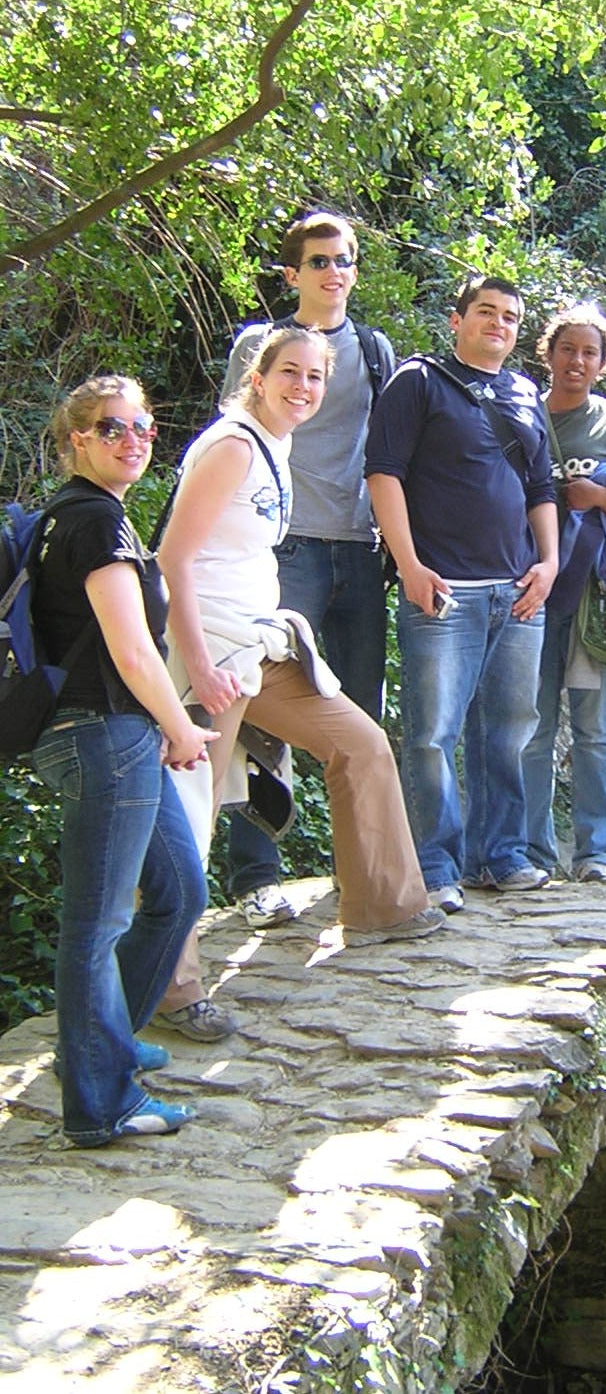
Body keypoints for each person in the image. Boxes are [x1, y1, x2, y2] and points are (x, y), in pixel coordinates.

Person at [153, 326, 440, 1039]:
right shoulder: (231, 446)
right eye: (291, 373)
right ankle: (173, 987)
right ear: (258, 374)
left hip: (262, 645)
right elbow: (171, 560)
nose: (303, 389)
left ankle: (384, 906)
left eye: (315, 378)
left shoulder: (275, 446)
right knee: (190, 812)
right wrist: (197, 663)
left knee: (362, 743)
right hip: (211, 655)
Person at [31, 376, 214, 1145]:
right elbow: (132, 648)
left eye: (143, 425)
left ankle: (102, 1045)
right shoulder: (95, 522)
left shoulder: (75, 518)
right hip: (105, 734)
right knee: (98, 924)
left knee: (179, 893)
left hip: (109, 735)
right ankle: (100, 1103)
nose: (133, 439)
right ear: (77, 439)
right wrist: (181, 727)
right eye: (112, 428)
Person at [219, 212, 396, 933]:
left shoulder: (377, 351)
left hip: (358, 550)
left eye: (344, 259)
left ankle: (364, 880)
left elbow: (388, 454)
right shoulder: (259, 347)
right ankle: (257, 879)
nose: (333, 271)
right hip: (284, 551)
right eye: (319, 260)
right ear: (293, 274)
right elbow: (233, 441)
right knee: (263, 714)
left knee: (362, 719)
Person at [365, 275, 558, 913]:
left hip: (519, 590)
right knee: (432, 734)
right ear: (457, 320)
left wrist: (550, 562)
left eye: (509, 316)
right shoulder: (417, 382)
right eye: (485, 311)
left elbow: (541, 489)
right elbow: (383, 473)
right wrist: (409, 563)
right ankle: (436, 867)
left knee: (506, 731)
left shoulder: (526, 392)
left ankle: (499, 855)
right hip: (445, 590)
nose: (498, 323)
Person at [520, 304, 606, 882]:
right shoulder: (520, 413)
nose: (577, 361)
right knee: (530, 727)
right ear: (547, 354)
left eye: (589, 352)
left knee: (595, 729)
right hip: (525, 592)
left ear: (604, 363)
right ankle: (527, 852)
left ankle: (598, 854)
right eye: (567, 349)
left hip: (590, 602)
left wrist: (599, 498)